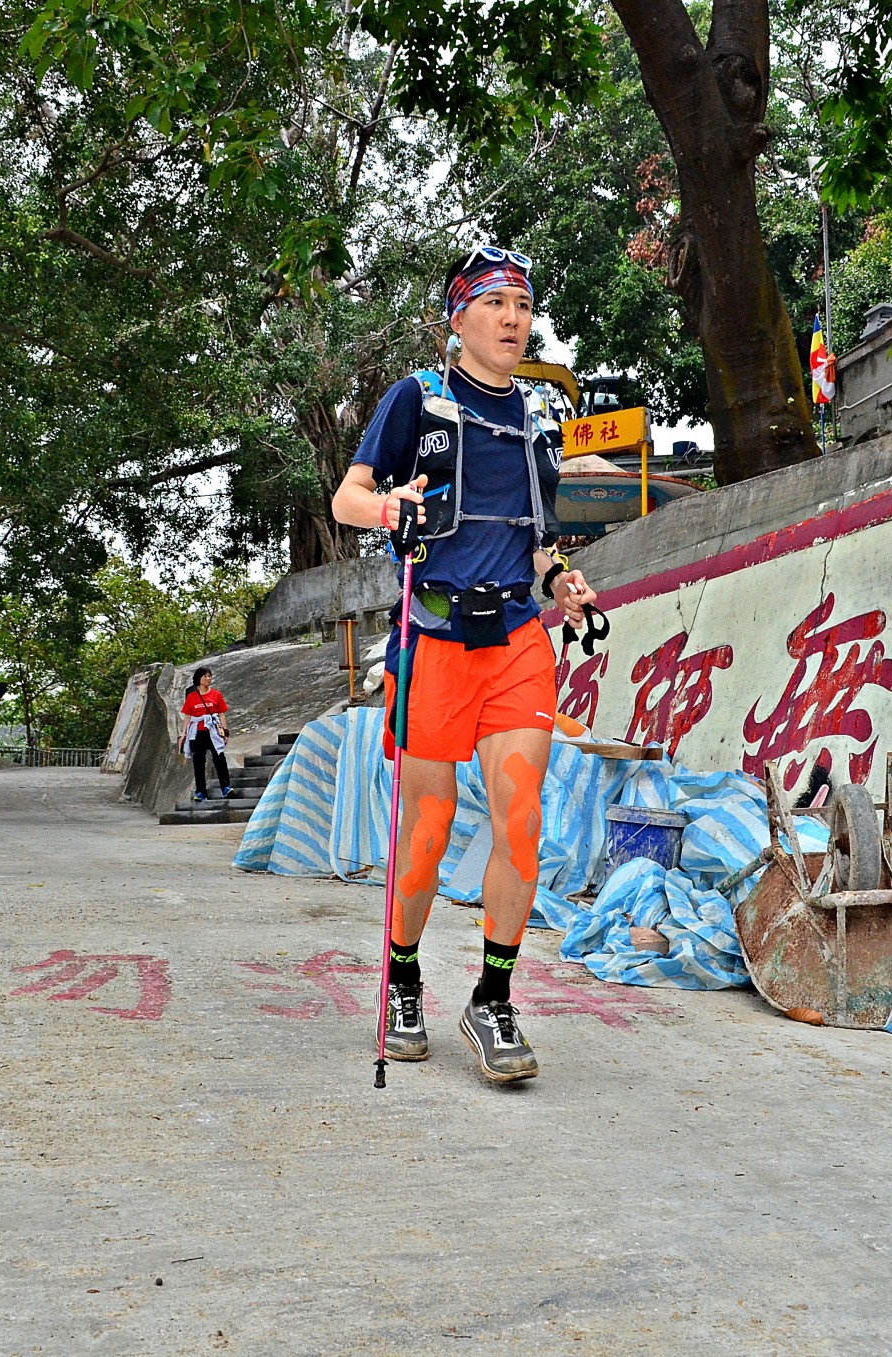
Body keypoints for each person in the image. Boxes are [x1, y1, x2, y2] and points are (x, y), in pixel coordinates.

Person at [330, 245, 599, 1083]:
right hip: (435, 639)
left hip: (517, 640)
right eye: (495, 304)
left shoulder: (537, 419)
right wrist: (389, 507)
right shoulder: (418, 398)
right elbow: (347, 497)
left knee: (521, 820)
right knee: (429, 829)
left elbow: (538, 545)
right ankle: (403, 975)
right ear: (459, 318)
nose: (514, 319)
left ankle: (493, 997)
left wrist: (561, 583)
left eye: (523, 304)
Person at [180, 666, 234, 802]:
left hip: (213, 731)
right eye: (205, 676)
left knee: (219, 758)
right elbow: (187, 716)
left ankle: (226, 787)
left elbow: (221, 714)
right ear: (198, 678)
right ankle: (200, 792)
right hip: (197, 732)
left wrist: (225, 732)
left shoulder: (216, 694)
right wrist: (183, 734)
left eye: (209, 676)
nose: (208, 679)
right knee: (198, 762)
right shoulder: (191, 697)